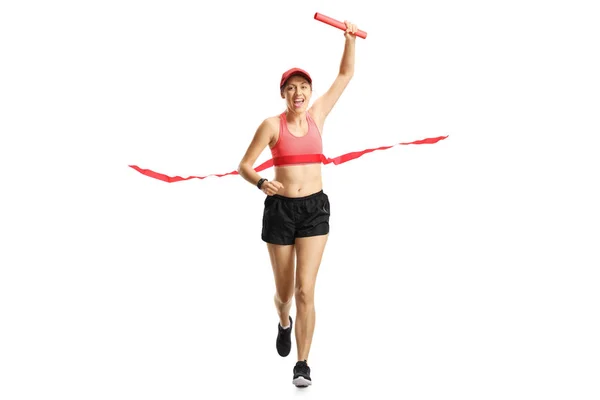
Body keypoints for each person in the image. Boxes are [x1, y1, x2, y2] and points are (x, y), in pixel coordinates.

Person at [237, 20, 359, 387]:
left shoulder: (318, 115)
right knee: (286, 294)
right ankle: (283, 321)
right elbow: (244, 165)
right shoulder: (271, 126)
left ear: (309, 91)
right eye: (291, 88)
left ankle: (302, 364)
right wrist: (261, 181)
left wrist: (349, 39)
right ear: (283, 95)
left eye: (303, 87)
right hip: (280, 212)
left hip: (314, 210)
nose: (298, 93)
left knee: (307, 288)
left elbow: (345, 74)